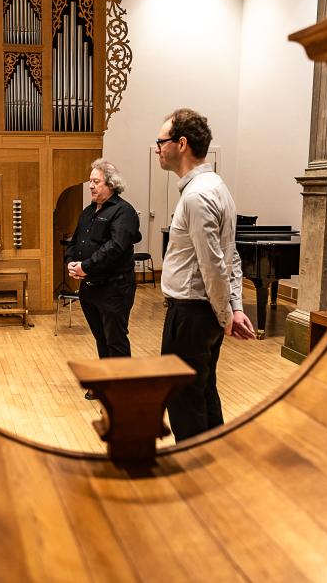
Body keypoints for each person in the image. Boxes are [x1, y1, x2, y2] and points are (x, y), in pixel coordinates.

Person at [156, 108, 256, 440]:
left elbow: (214, 265)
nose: (158, 147)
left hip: (191, 315)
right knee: (203, 392)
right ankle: (214, 465)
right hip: (203, 313)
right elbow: (232, 254)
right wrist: (236, 308)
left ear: (181, 144)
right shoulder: (217, 187)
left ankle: (193, 479)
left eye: (162, 141)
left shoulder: (198, 196)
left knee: (183, 400)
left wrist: (226, 313)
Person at [66, 159, 141, 398]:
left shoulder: (123, 211)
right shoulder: (88, 212)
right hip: (90, 288)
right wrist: (70, 262)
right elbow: (75, 242)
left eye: (96, 181)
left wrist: (86, 266)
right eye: (90, 181)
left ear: (111, 184)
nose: (91, 186)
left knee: (115, 338)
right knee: (100, 336)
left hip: (115, 288)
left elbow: (115, 247)